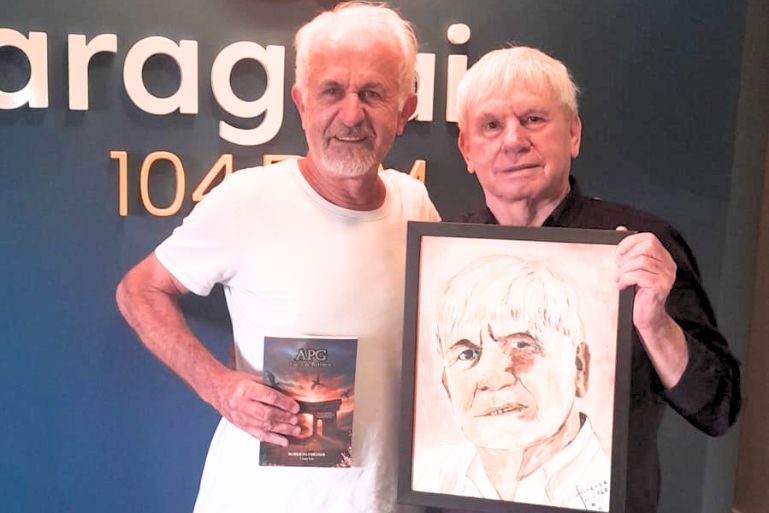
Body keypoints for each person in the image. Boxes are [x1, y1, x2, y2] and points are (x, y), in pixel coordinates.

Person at [115, 3, 439, 513]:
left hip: (384, 501)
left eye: (373, 93)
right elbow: (139, 289)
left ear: (405, 109)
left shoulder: (415, 205)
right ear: (301, 103)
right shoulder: (247, 199)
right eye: (331, 91)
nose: (350, 115)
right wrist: (217, 386)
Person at [444, 46, 741, 513]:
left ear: (573, 133)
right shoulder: (445, 252)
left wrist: (656, 324)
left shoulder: (642, 245)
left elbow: (717, 408)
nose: (513, 140)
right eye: (491, 125)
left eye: (533, 119)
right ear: (467, 149)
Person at [415, 255, 610, 510]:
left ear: (579, 367)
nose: (493, 379)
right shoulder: (425, 478)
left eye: (522, 345)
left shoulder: (617, 489)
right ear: (447, 384)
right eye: (468, 354)